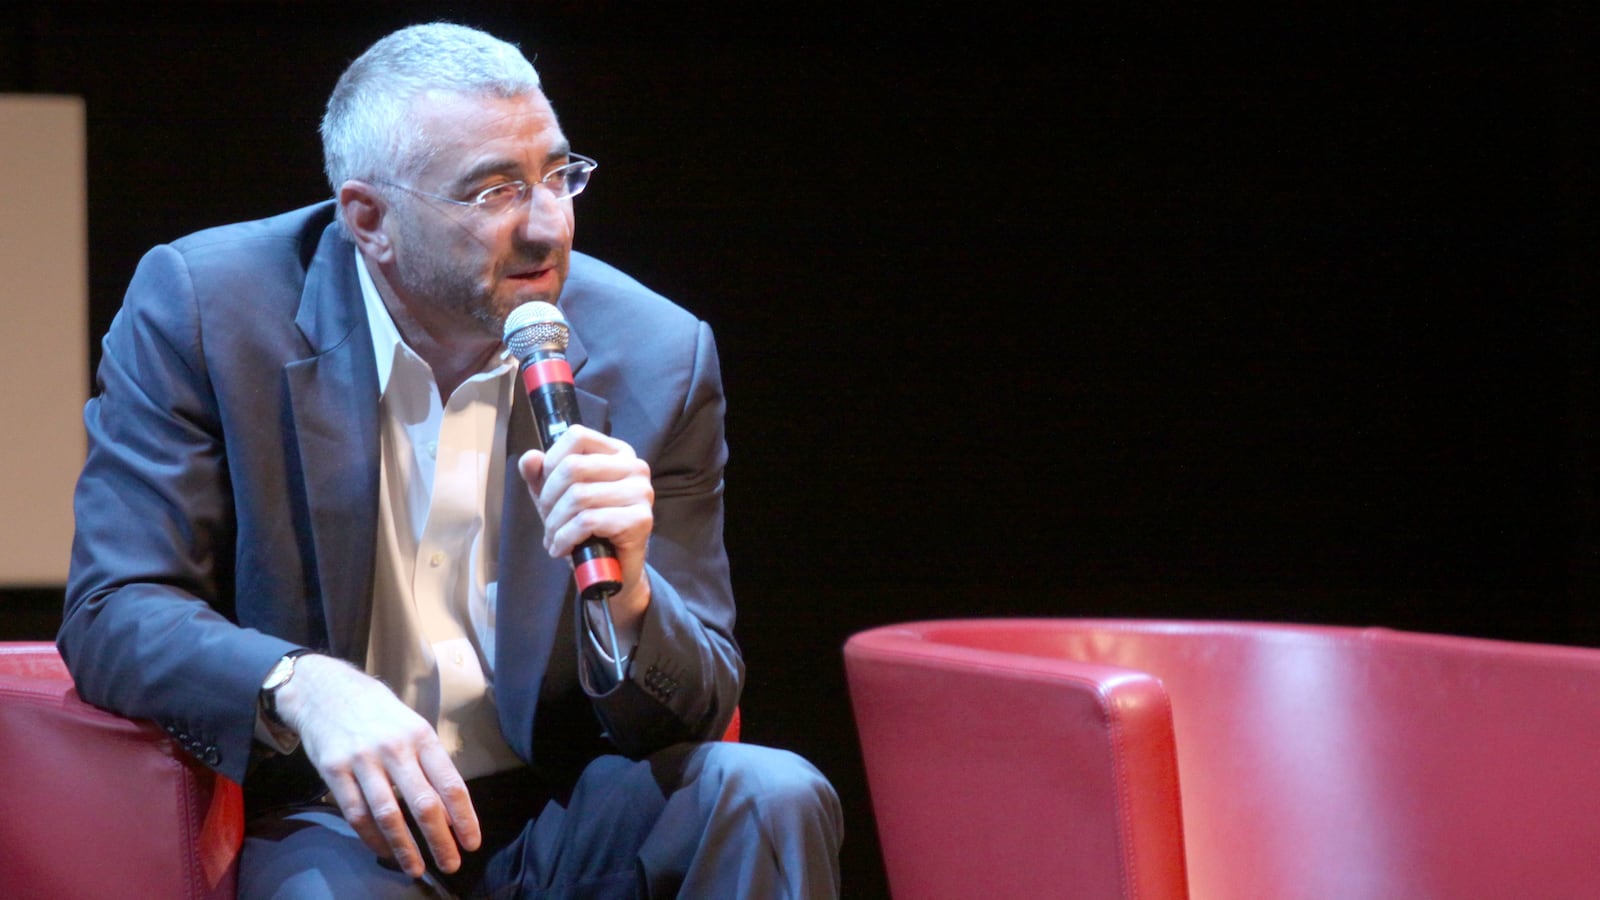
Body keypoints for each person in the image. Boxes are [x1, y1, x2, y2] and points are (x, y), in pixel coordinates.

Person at [59, 21, 841, 899]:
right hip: (342, 815)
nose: (550, 227)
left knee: (772, 793)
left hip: (565, 803)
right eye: (495, 191)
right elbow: (114, 607)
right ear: (370, 219)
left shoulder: (659, 352)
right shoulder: (211, 309)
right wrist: (302, 686)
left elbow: (700, 698)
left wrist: (630, 600)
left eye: (558, 175)